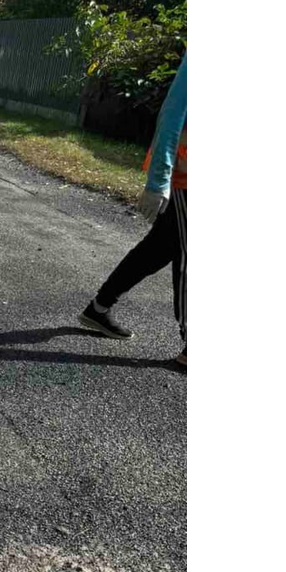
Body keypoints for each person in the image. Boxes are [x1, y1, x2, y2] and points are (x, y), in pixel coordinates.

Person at [78, 53, 187, 366]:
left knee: (158, 249)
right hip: (185, 178)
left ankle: (98, 309)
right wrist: (158, 181)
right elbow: (171, 114)